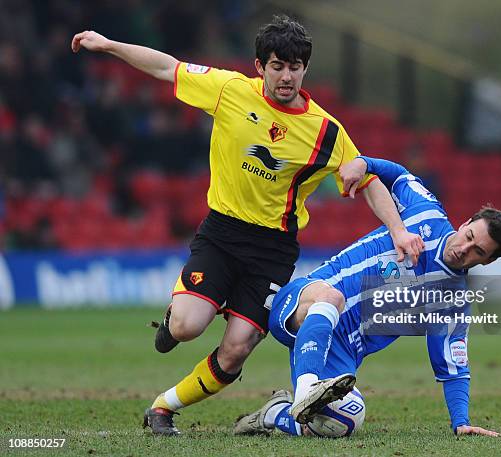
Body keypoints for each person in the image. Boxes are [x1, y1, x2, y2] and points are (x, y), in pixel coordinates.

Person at [71, 16, 424, 436]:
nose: (286, 76)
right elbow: (167, 67)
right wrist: (109, 44)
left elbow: (366, 180)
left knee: (236, 351)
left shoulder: (327, 131)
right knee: (187, 327)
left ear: (305, 69)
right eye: (277, 66)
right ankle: (175, 317)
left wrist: (400, 231)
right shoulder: (229, 90)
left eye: (295, 67)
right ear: (260, 66)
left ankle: (163, 407)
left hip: (271, 252)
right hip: (222, 234)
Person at [234, 155, 501, 437]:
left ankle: (275, 413)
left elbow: (453, 367)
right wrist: (363, 163)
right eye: (469, 236)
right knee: (331, 298)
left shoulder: (452, 303)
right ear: (465, 223)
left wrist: (461, 422)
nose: (464, 249)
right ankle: (307, 389)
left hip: (341, 350)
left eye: (478, 251)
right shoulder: (426, 212)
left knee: (345, 420)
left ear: (488, 261)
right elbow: (398, 175)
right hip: (306, 298)